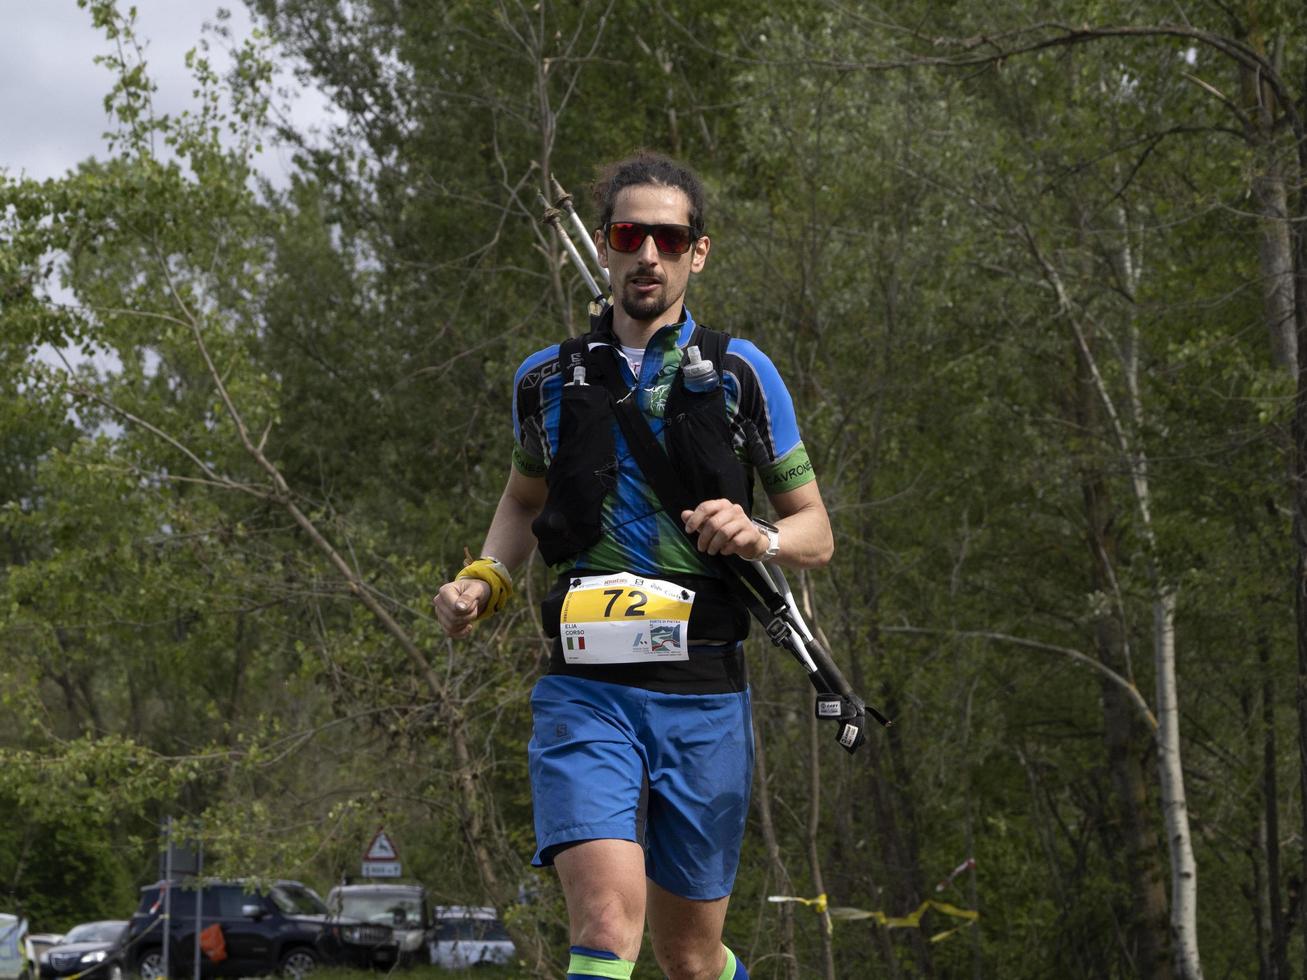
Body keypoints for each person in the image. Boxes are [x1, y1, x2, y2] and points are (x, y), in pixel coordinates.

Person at [432, 151, 833, 980]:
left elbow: (814, 534)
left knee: (688, 958)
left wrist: (756, 534)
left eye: (667, 236)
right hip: (585, 688)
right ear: (607, 247)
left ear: (697, 251)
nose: (647, 254)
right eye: (628, 234)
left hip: (703, 692)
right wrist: (485, 580)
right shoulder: (544, 380)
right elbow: (521, 501)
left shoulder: (740, 374)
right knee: (607, 921)